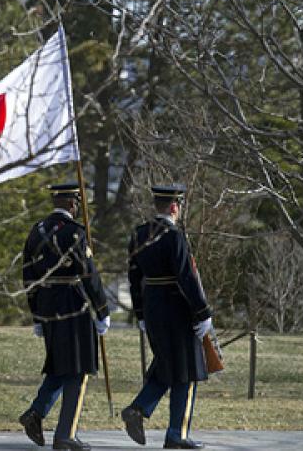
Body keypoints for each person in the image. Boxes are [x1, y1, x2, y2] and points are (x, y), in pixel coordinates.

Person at [19, 183, 111, 451]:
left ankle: (36, 413)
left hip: (46, 304)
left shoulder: (36, 232)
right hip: (73, 304)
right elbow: (89, 274)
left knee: (60, 364)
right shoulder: (75, 233)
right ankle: (65, 434)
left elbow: (28, 276)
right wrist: (102, 309)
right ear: (73, 204)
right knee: (78, 369)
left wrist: (36, 313)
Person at [120, 184, 213, 449]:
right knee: (188, 371)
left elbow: (133, 276)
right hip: (178, 309)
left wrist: (140, 312)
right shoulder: (174, 236)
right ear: (174, 206)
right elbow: (186, 277)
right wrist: (203, 312)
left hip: (152, 307)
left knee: (168, 364)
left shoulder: (139, 234)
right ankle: (177, 434)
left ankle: (139, 409)